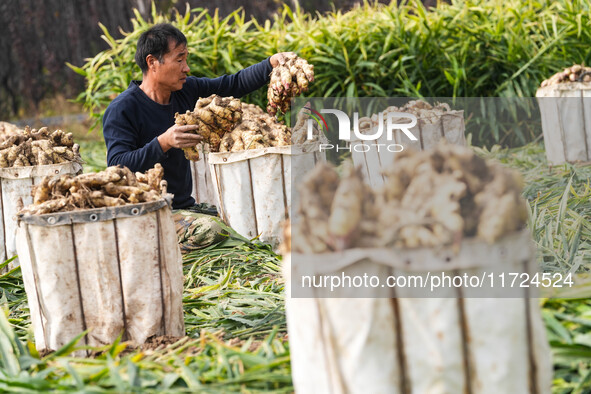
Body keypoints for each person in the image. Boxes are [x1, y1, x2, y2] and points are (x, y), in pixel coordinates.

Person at [103, 23, 291, 249]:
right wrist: (164, 142)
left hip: (184, 207)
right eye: (179, 59)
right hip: (150, 212)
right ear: (152, 62)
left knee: (241, 222)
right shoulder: (123, 109)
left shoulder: (185, 91)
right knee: (212, 230)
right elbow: (115, 166)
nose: (187, 68)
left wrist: (271, 63)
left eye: (186, 59)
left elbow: (233, 84)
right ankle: (152, 245)